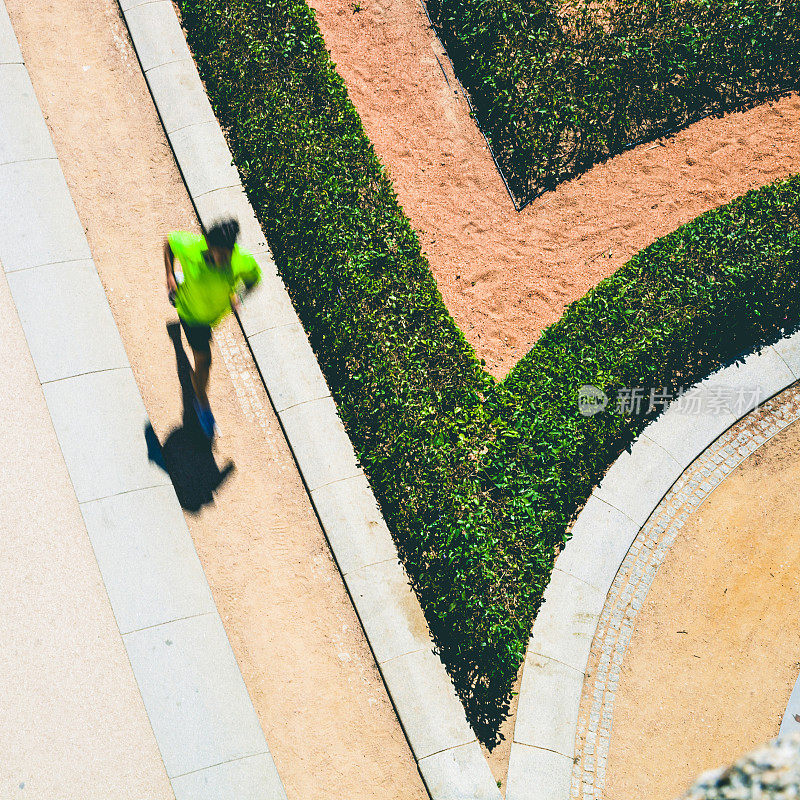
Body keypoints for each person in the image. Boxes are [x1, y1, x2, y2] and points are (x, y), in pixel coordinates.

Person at [164, 217, 261, 438]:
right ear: (208, 244)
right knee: (204, 361)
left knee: (193, 356)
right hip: (192, 315)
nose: (226, 261)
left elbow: (254, 278)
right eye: (221, 255)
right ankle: (202, 404)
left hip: (212, 315)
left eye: (228, 255)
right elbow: (169, 243)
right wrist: (169, 274)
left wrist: (240, 296)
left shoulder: (240, 260)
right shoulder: (190, 247)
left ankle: (177, 331)